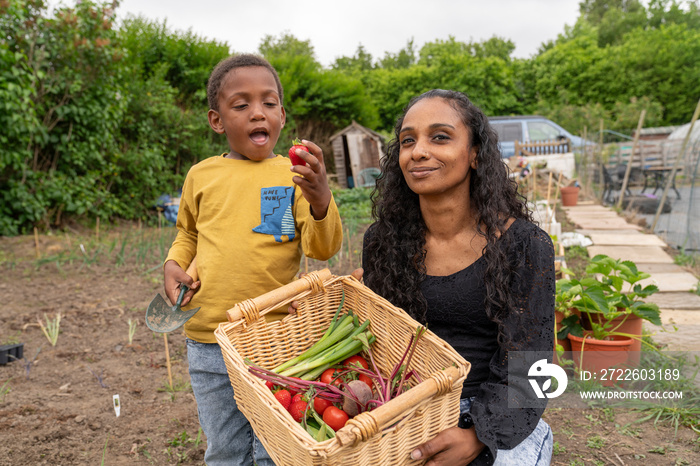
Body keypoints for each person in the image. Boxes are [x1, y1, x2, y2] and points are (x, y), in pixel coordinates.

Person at [163, 53, 343, 466]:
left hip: (273, 339)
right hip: (208, 338)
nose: (257, 113)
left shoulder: (293, 173)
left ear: (282, 113)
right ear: (217, 120)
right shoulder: (201, 175)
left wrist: (320, 199)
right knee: (224, 447)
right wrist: (174, 264)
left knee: (274, 448)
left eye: (269, 103)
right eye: (241, 105)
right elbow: (187, 234)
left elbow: (321, 248)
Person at [360, 89, 555, 465]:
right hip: (407, 410)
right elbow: (381, 344)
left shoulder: (524, 246)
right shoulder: (382, 243)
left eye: (440, 137)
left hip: (496, 414)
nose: (418, 151)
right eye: (407, 141)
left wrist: (477, 436)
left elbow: (529, 368)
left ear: (475, 154)